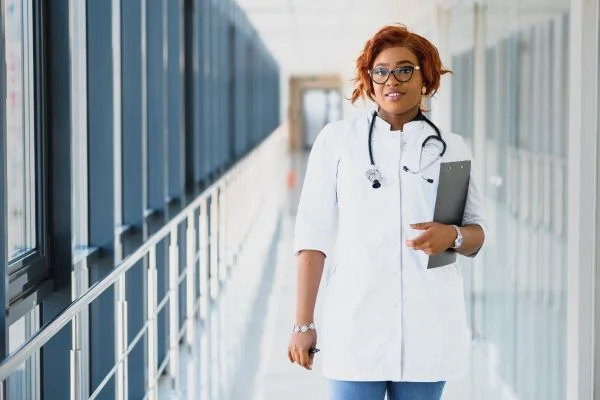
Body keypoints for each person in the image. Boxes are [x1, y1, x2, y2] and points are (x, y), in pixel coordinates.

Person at [287, 24, 487, 400]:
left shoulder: (451, 148)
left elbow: (477, 232)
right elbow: (311, 237)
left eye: (405, 69)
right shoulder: (338, 141)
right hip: (356, 323)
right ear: (369, 78)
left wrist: (452, 236)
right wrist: (302, 323)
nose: (391, 80)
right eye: (381, 70)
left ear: (425, 77)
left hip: (428, 325)